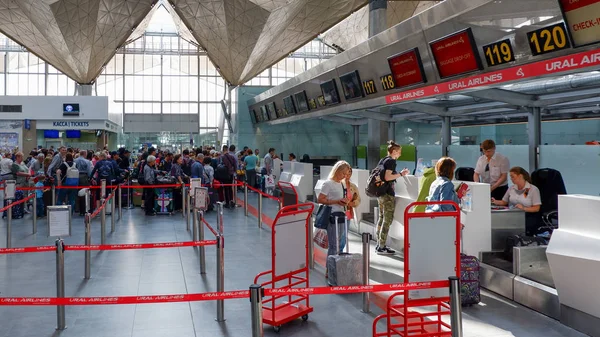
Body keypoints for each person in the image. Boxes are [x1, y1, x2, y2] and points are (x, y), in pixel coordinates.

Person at [317, 160, 351, 281]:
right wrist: (336, 202)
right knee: (333, 245)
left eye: (346, 174)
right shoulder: (328, 183)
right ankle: (329, 269)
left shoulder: (341, 184)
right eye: (344, 173)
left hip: (341, 216)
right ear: (338, 171)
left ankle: (335, 268)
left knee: (339, 244)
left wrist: (344, 201)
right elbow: (320, 199)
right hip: (332, 217)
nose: (345, 176)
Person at [375, 141, 410, 255]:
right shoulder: (391, 161)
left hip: (380, 192)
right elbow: (387, 176)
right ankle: (382, 246)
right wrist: (401, 174)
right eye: (399, 152)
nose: (399, 155)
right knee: (387, 219)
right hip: (387, 194)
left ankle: (379, 244)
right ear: (394, 151)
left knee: (381, 218)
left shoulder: (383, 160)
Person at [492, 166, 542, 235]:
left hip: (528, 216)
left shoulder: (533, 189)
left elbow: (536, 208)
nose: (511, 179)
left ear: (520, 176)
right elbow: (504, 202)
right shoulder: (511, 188)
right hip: (514, 214)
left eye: (513, 177)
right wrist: (494, 201)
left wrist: (524, 208)